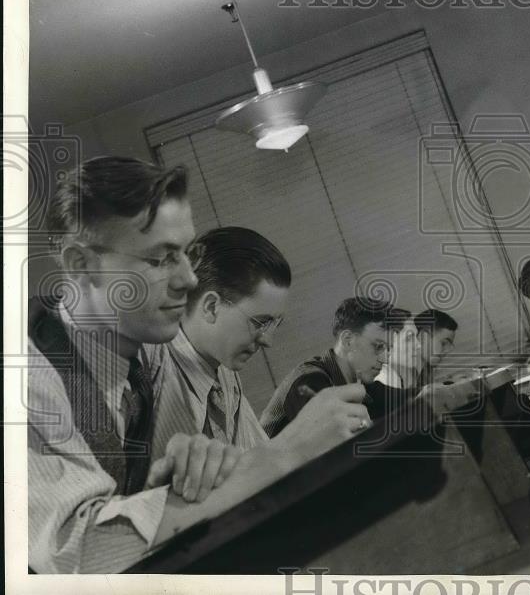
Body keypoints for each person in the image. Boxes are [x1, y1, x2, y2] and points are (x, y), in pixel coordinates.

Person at [27, 156, 368, 573]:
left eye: (185, 255)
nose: (189, 280)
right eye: (161, 258)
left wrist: (167, 487)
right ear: (81, 265)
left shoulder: (135, 360)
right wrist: (285, 452)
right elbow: (80, 553)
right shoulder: (26, 378)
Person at [144, 226, 291, 457]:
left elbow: (259, 458)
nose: (268, 340)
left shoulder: (224, 376)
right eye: (260, 323)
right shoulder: (150, 379)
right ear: (211, 307)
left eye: (275, 325)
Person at [260, 297, 399, 437]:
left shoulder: (358, 381)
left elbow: (409, 398)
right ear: (348, 341)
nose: (385, 359)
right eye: (378, 346)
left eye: (388, 349)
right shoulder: (309, 381)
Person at [376, 308, 458, 391]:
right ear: (423, 337)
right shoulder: (388, 375)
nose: (447, 351)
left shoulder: (425, 373)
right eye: (443, 343)